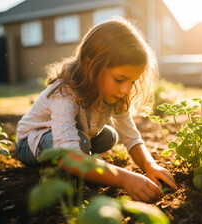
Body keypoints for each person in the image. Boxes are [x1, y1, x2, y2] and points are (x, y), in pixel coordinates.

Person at [16, 18, 177, 203]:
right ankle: (60, 167)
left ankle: (84, 163)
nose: (126, 89)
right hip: (31, 142)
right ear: (91, 64)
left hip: (75, 138)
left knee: (110, 136)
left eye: (132, 82)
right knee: (81, 144)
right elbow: (69, 154)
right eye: (119, 79)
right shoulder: (64, 92)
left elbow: (131, 137)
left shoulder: (114, 93)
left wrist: (150, 165)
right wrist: (125, 178)